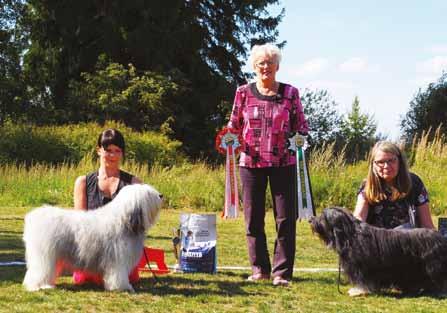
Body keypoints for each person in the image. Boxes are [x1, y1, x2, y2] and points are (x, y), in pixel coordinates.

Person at [227, 43, 309, 286]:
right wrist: (231, 141)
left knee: (285, 219)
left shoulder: (291, 93)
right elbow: (233, 126)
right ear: (255, 66)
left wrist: (298, 141)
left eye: (270, 62)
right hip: (250, 164)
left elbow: (301, 127)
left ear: (277, 66)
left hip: (284, 163)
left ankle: (281, 273)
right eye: (261, 63)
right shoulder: (243, 92)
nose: (266, 67)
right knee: (253, 219)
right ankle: (259, 269)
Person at [350, 140, 435, 296]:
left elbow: (427, 224)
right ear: (373, 165)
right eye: (380, 162)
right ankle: (367, 281)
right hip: (376, 247)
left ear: (400, 161)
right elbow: (358, 219)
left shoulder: (414, 182)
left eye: (391, 161)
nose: (386, 166)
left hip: (407, 245)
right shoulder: (367, 186)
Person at [73, 128, 142, 284]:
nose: (112, 155)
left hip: (123, 261)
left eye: (117, 151)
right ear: (99, 150)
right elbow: (79, 224)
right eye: (108, 150)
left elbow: (138, 226)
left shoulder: (134, 183)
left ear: (122, 153)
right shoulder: (82, 182)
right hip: (91, 258)